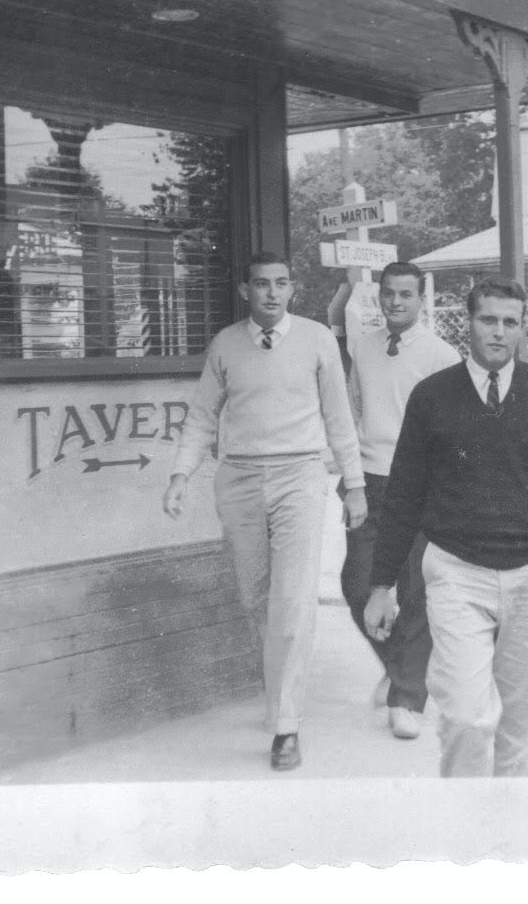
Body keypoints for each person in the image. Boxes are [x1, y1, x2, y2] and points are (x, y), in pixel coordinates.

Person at [364, 276, 528, 777]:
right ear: (468, 323)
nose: (498, 332)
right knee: (465, 718)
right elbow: (404, 496)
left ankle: (507, 839)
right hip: (457, 573)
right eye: (488, 320)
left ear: (522, 328)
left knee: (523, 730)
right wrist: (382, 584)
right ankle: (465, 836)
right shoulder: (432, 396)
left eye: (510, 322)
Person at [164, 252, 367, 772]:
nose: (272, 293)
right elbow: (202, 417)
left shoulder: (319, 339)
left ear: (293, 289)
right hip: (240, 479)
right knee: (256, 596)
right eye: (261, 284)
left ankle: (286, 725)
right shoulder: (225, 345)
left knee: (293, 598)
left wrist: (355, 484)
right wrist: (180, 475)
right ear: (245, 291)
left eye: (281, 284)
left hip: (299, 475)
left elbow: (339, 418)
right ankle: (282, 688)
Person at [343, 262, 461, 741]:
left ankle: (407, 699)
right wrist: (350, 479)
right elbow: (350, 411)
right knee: (358, 583)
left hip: (420, 486)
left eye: (405, 295)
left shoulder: (440, 355)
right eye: (388, 294)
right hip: (369, 482)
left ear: (420, 298)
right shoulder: (363, 348)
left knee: (415, 591)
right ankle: (400, 667)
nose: (395, 302)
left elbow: (453, 429)